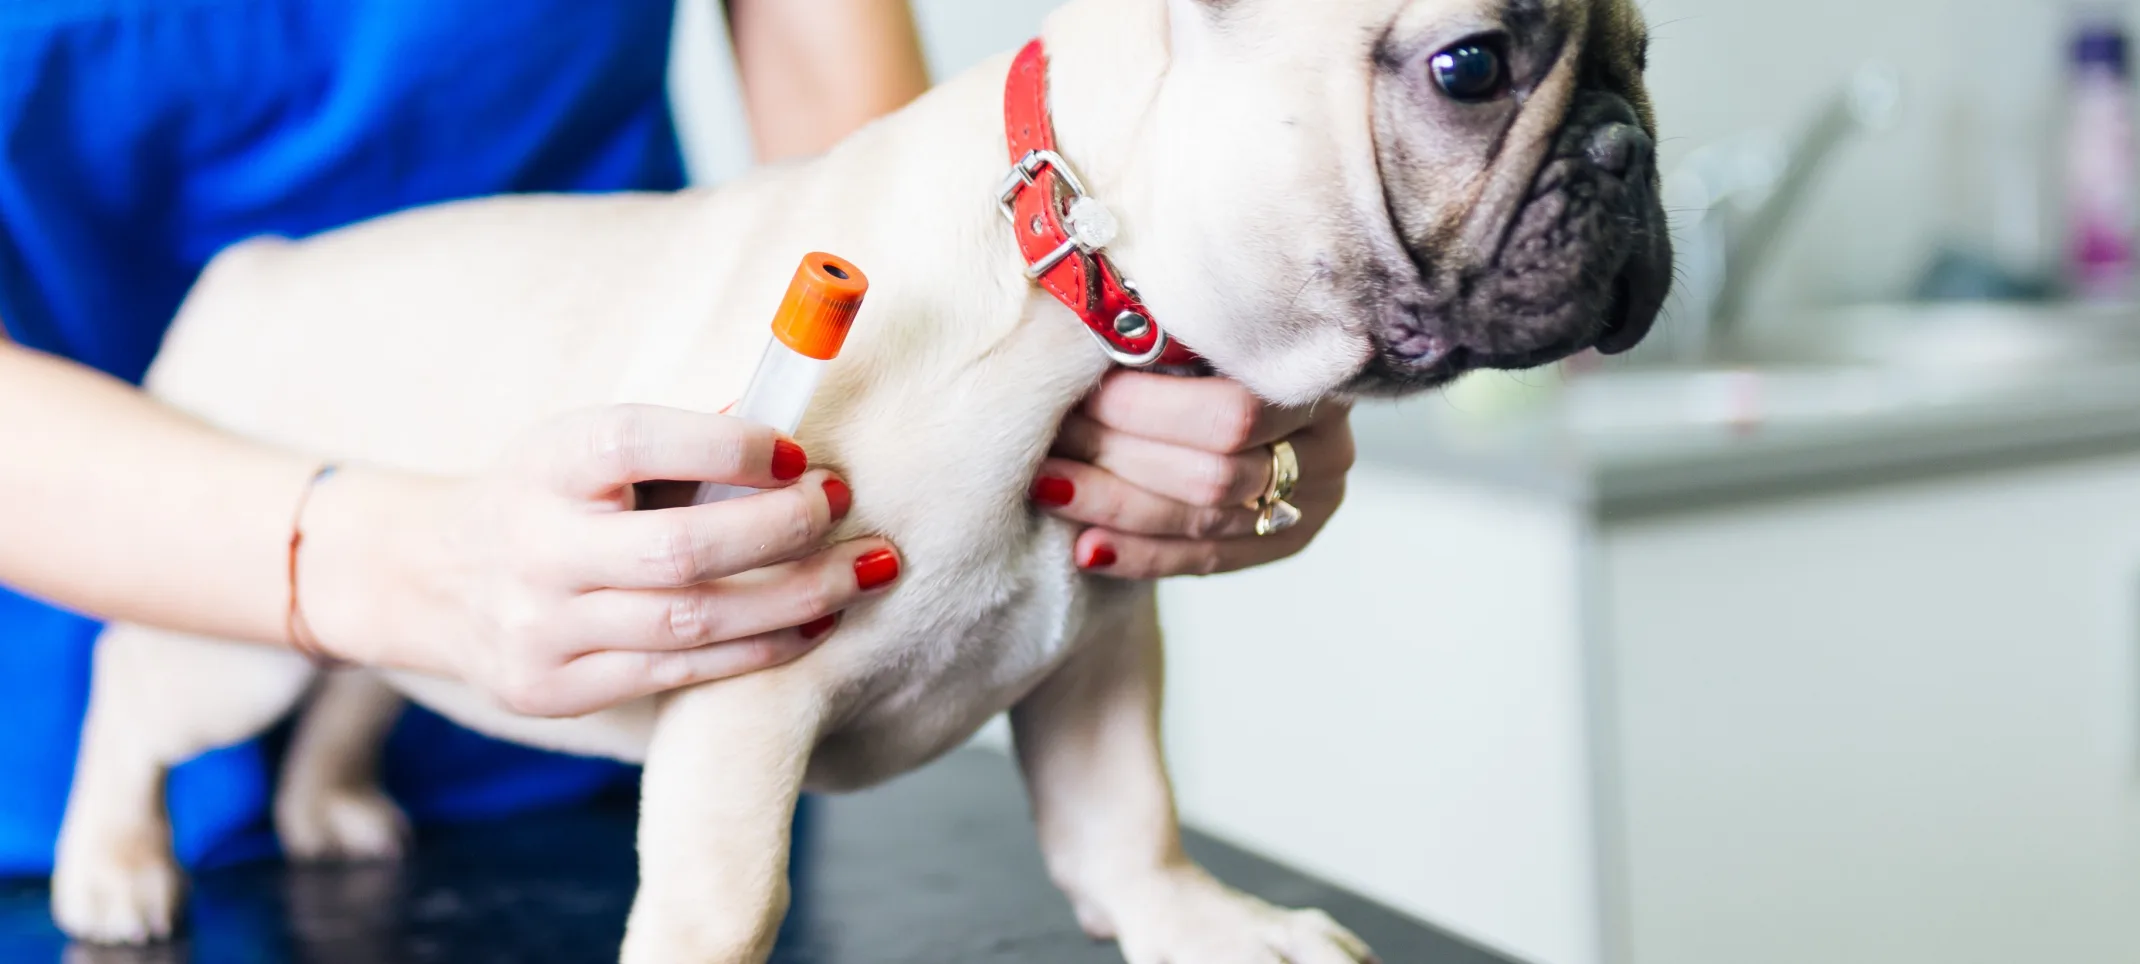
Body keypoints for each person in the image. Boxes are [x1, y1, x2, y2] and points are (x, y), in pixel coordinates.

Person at [0, 0, 1355, 877]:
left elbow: (883, 194)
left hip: (638, 720)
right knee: (187, 701)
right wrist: (381, 563)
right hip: (94, 573)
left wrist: (1075, 410)